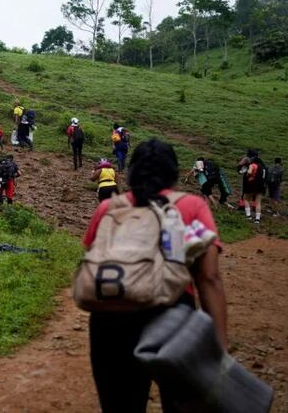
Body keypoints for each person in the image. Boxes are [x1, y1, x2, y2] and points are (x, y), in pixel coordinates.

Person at [83, 139, 228, 413]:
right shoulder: (192, 206)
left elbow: (94, 262)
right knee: (180, 404)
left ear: (133, 172)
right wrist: (218, 348)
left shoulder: (108, 209)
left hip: (111, 320)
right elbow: (209, 278)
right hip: (173, 319)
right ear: (173, 172)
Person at [242, 149, 267, 224]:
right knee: (258, 202)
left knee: (246, 199)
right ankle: (257, 219)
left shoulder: (252, 165)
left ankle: (248, 216)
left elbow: (249, 172)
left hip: (251, 185)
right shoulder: (263, 167)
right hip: (261, 186)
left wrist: (246, 174)